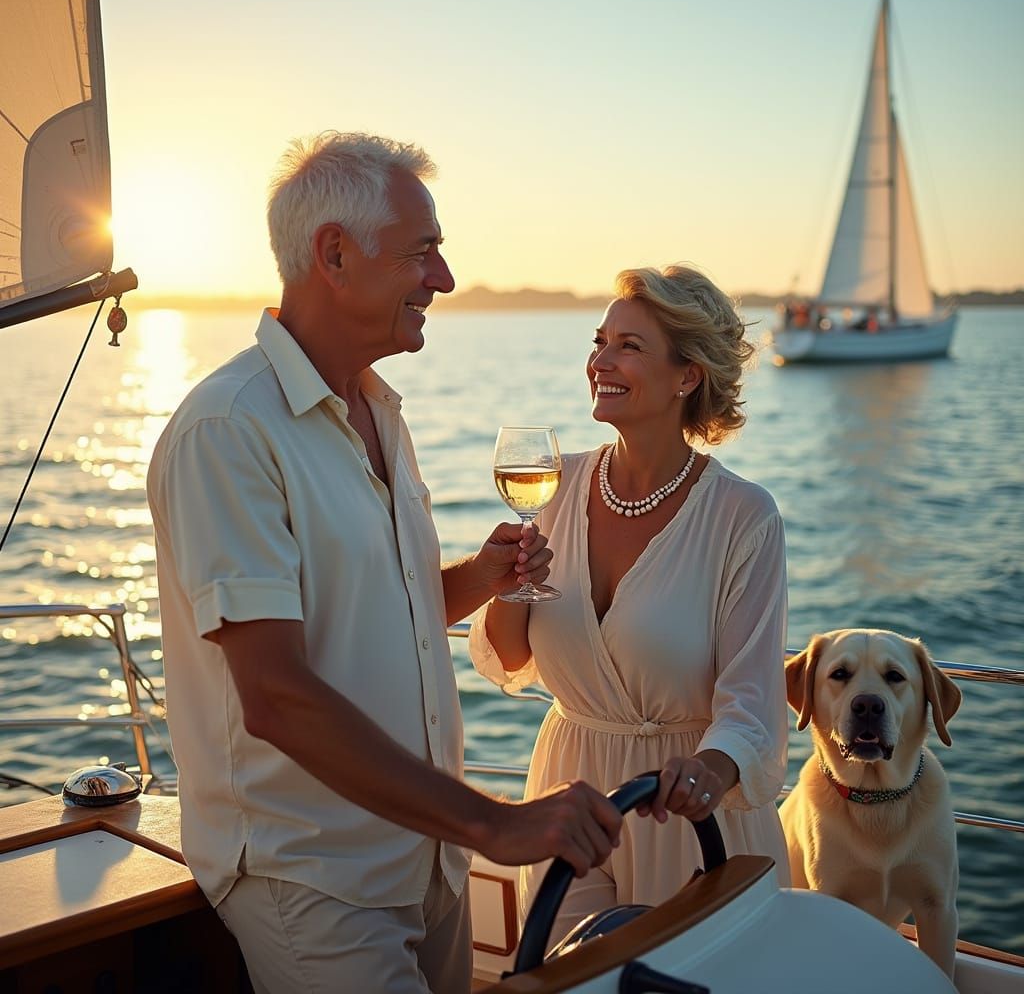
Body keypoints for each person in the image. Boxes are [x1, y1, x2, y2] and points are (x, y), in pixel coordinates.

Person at [146, 131, 623, 994]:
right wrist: (496, 825)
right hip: (318, 880)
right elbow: (278, 697)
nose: (443, 280)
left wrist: (479, 581)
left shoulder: (376, 409)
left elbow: (377, 614)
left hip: (424, 864)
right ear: (335, 254)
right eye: (423, 253)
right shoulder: (229, 431)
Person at [469, 263, 791, 947]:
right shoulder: (553, 486)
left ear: (687, 375)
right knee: (569, 971)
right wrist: (505, 586)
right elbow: (512, 655)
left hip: (688, 809)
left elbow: (753, 704)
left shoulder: (744, 517)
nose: (599, 361)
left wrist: (707, 772)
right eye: (599, 340)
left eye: (628, 346)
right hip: (568, 792)